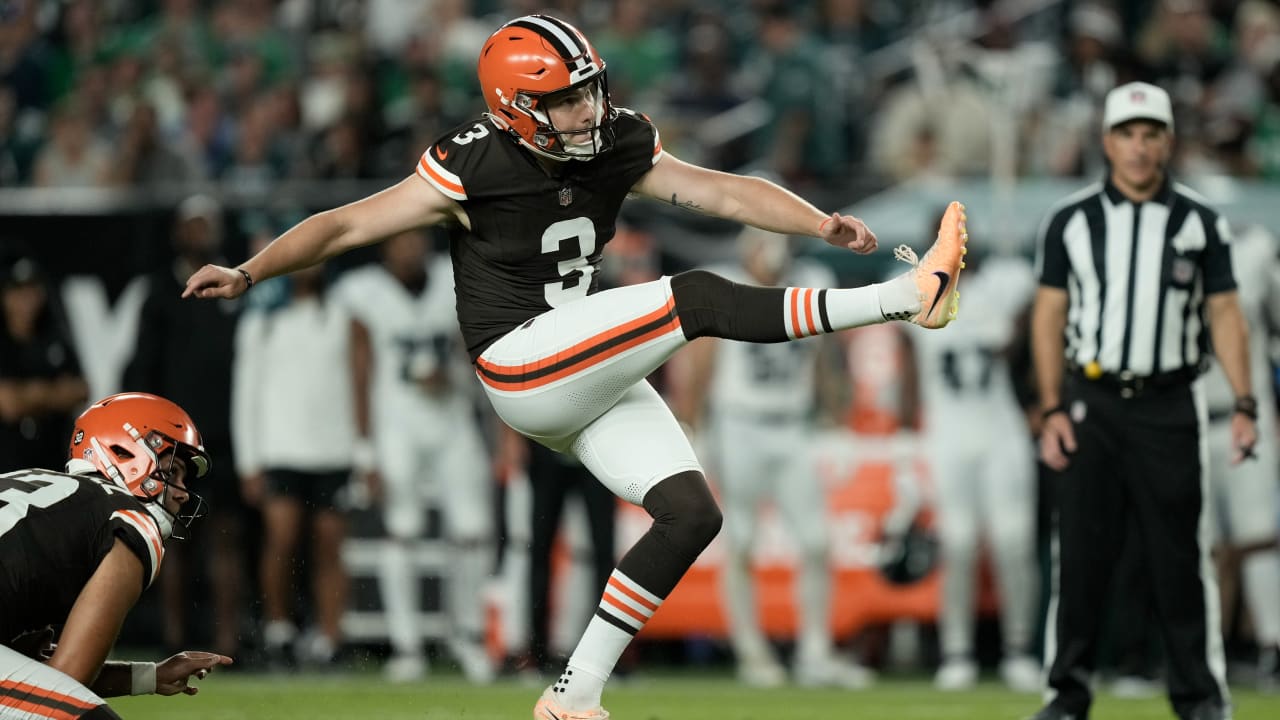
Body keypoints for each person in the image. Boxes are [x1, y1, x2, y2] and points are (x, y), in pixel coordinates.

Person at [182, 14, 968, 718]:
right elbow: (344, 225)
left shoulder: (617, 139)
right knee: (690, 297)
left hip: (585, 362)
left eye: (589, 92)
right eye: (565, 100)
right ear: (516, 109)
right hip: (519, 362)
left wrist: (815, 221)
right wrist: (250, 272)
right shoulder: (471, 163)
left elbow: (714, 191)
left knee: (692, 514)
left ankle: (573, 695)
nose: (587, 111)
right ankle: (906, 297)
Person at [1031, 81, 1255, 720]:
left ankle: (1199, 697)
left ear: (1168, 141)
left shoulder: (1199, 221)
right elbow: (1050, 317)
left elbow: (1226, 313)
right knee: (1078, 555)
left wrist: (1245, 403)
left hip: (1167, 404)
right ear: (1106, 142)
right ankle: (1066, 694)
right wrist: (1051, 408)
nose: (1138, 146)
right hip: (1092, 403)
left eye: (1150, 133)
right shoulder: (1071, 220)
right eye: (1127, 134)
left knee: (1180, 559)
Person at [671, 227, 872, 689]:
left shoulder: (810, 279)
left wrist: (836, 415)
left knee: (817, 541)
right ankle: (751, 651)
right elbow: (701, 360)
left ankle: (814, 651)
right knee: (740, 542)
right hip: (738, 426)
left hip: (793, 426)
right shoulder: (724, 284)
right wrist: (691, 424)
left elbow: (822, 353)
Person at [0, 392, 232, 718]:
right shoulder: (130, 519)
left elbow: (34, 679)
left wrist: (151, 676)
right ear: (125, 452)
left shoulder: (40, 492)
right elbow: (66, 680)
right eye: (172, 470)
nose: (181, 493)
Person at [331, 230, 496, 684]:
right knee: (402, 529)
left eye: (416, 241)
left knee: (472, 531)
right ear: (385, 246)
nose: (410, 249)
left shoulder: (451, 279)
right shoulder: (364, 291)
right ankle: (408, 647)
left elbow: (476, 344)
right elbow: (359, 371)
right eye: (400, 241)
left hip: (453, 417)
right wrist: (364, 450)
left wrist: (455, 375)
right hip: (396, 422)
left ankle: (469, 636)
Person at [907, 247, 1041, 693]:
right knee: (959, 544)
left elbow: (1033, 293)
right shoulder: (913, 290)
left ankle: (1020, 649)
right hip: (949, 436)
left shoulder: (998, 286)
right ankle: (957, 651)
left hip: (1001, 434)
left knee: (1013, 542)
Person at [125, 194, 248, 661]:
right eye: (193, 224)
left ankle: (226, 642)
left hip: (226, 436)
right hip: (173, 442)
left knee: (225, 538)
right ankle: (174, 639)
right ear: (178, 232)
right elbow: (141, 369)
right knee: (172, 539)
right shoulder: (159, 293)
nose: (202, 232)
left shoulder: (236, 289)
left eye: (208, 224)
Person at [231, 260, 354, 671]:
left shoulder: (342, 314)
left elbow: (361, 382)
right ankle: (279, 630)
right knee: (281, 541)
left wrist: (364, 448)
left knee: (330, 547)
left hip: (334, 448)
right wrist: (249, 460)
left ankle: (330, 639)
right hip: (281, 448)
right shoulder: (261, 321)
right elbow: (245, 392)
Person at [1201, 223, 1280, 688]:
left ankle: (1271, 645)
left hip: (1246, 413)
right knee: (1199, 545)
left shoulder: (1254, 257)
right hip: (1192, 415)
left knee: (1258, 538)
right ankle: (1206, 650)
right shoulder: (1165, 255)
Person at [0, 256, 89, 473]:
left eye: (33, 289)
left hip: (51, 464)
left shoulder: (53, 336)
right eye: (18, 291)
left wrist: (30, 394)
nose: (27, 299)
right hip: (7, 468)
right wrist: (55, 394)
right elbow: (9, 404)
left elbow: (81, 390)